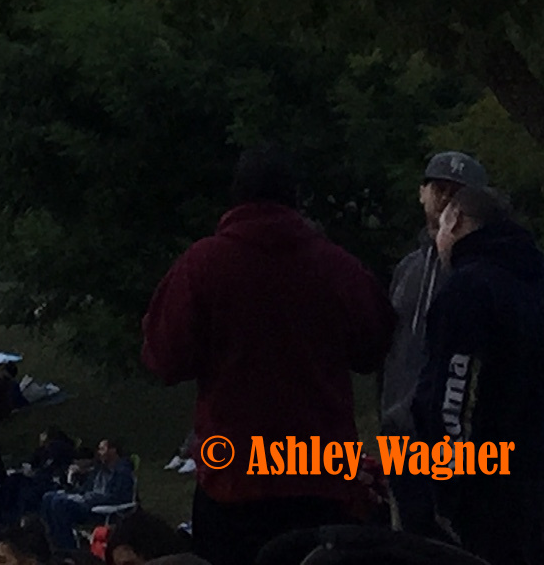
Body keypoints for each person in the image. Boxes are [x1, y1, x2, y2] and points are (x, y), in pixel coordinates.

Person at [138, 141, 389, 565]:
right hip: (320, 478)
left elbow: (164, 357)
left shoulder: (203, 265)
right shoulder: (335, 267)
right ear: (295, 197)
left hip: (233, 480)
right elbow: (374, 344)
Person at [415, 168, 544, 565]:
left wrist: (449, 487)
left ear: (455, 221)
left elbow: (453, 399)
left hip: (493, 493)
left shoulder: (468, 290)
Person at [40, 437, 134, 554]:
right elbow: (85, 488)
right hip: (88, 502)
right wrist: (71, 491)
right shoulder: (100, 468)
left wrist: (88, 498)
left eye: (102, 449)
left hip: (100, 510)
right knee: (49, 497)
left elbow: (117, 497)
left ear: (113, 450)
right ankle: (52, 542)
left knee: (60, 504)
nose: (99, 453)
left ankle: (67, 548)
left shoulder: (122, 472)